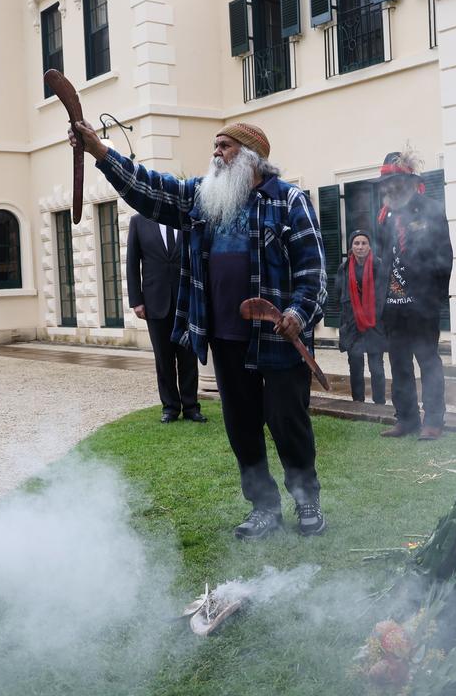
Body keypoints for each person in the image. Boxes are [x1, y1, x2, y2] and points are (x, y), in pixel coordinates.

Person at [70, 118, 328, 540]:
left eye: (224, 147)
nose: (216, 154)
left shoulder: (289, 200)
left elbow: (313, 270)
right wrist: (100, 152)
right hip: (224, 338)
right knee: (242, 427)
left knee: (288, 423)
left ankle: (306, 501)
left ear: (250, 157)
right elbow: (148, 188)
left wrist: (299, 314)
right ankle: (264, 508)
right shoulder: (201, 197)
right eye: (216, 146)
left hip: (278, 338)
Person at [375, 151, 453, 441]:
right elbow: (383, 260)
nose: (388, 187)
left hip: (422, 306)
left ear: (408, 182)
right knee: (399, 364)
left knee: (429, 363)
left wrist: (435, 300)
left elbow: (444, 258)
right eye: (385, 183)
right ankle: (406, 419)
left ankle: (433, 421)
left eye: (394, 181)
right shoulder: (385, 217)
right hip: (393, 307)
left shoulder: (431, 210)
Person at [126, 210, 204, 423]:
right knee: (163, 358)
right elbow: (132, 263)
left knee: (188, 356)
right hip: (154, 302)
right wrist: (137, 300)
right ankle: (170, 407)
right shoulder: (138, 222)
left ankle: (191, 407)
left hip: (186, 301)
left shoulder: (185, 219)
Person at [338, 230, 388, 404]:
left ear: (369, 246)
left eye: (363, 243)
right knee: (355, 367)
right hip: (352, 325)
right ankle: (357, 404)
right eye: (356, 243)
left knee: (377, 368)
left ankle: (379, 404)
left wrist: (377, 317)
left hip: (374, 323)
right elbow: (339, 295)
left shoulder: (379, 266)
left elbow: (384, 296)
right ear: (351, 247)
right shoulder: (343, 268)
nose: (360, 247)